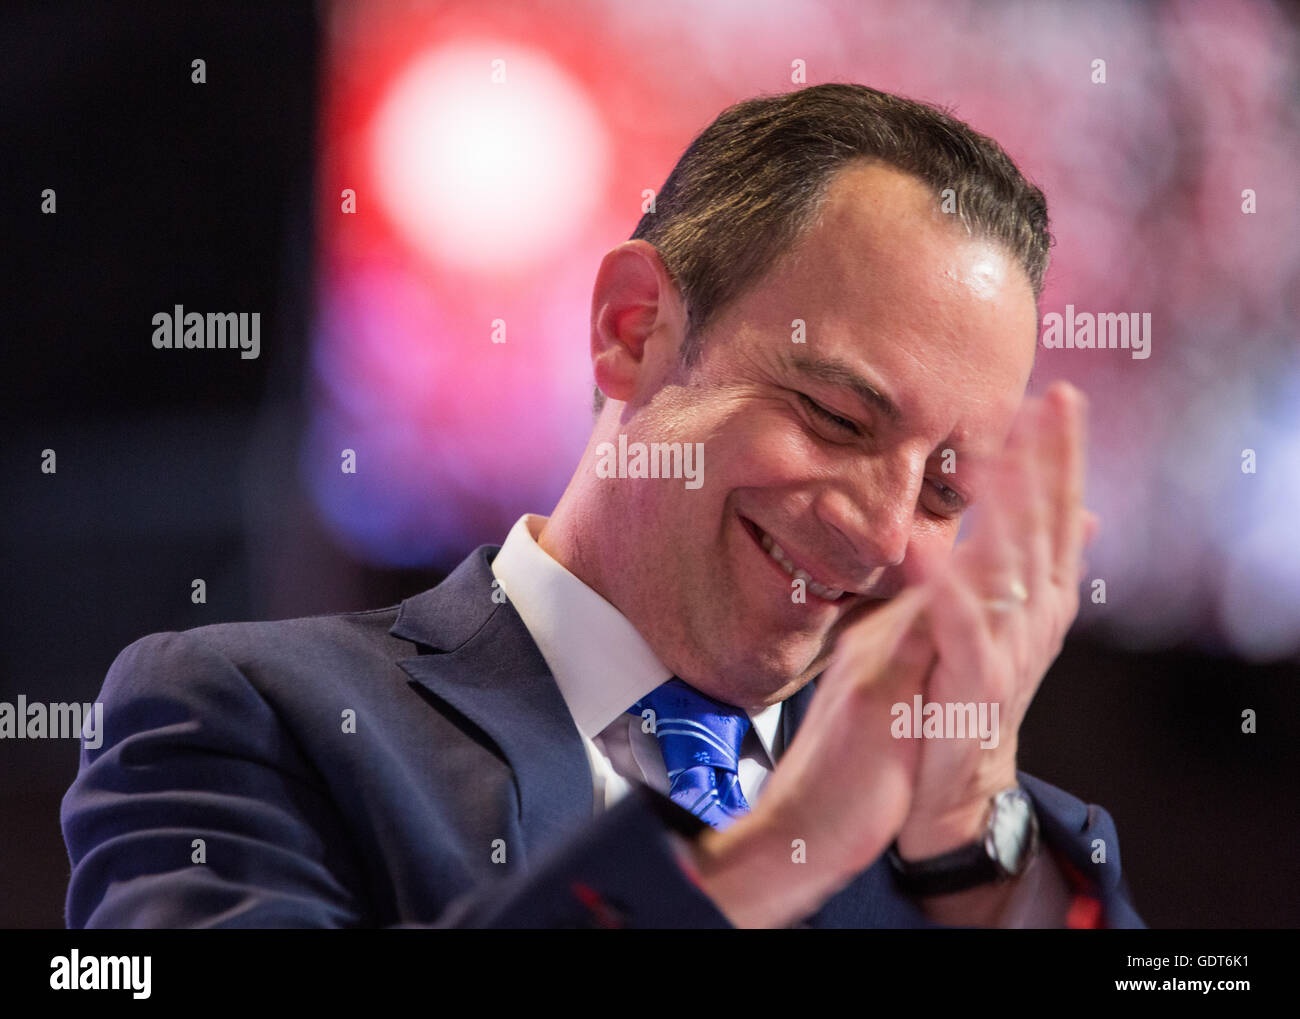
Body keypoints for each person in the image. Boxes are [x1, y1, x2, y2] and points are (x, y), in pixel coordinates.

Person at [61, 83, 1142, 929]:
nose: (881, 531)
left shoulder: (999, 854)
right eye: (836, 419)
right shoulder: (248, 716)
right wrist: (768, 854)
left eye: (945, 488)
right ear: (633, 330)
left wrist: (974, 856)